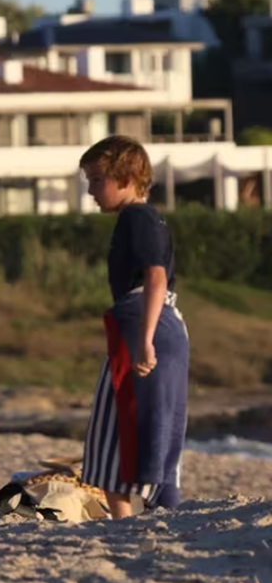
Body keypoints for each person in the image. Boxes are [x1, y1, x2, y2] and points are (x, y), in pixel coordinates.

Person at [79, 135, 189, 519]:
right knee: (157, 433)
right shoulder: (146, 217)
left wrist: (144, 340)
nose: (90, 190)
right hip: (158, 324)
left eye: (96, 180)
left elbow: (155, 277)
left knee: (114, 439)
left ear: (125, 179)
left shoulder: (137, 218)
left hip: (146, 324)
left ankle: (128, 529)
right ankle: (157, 522)